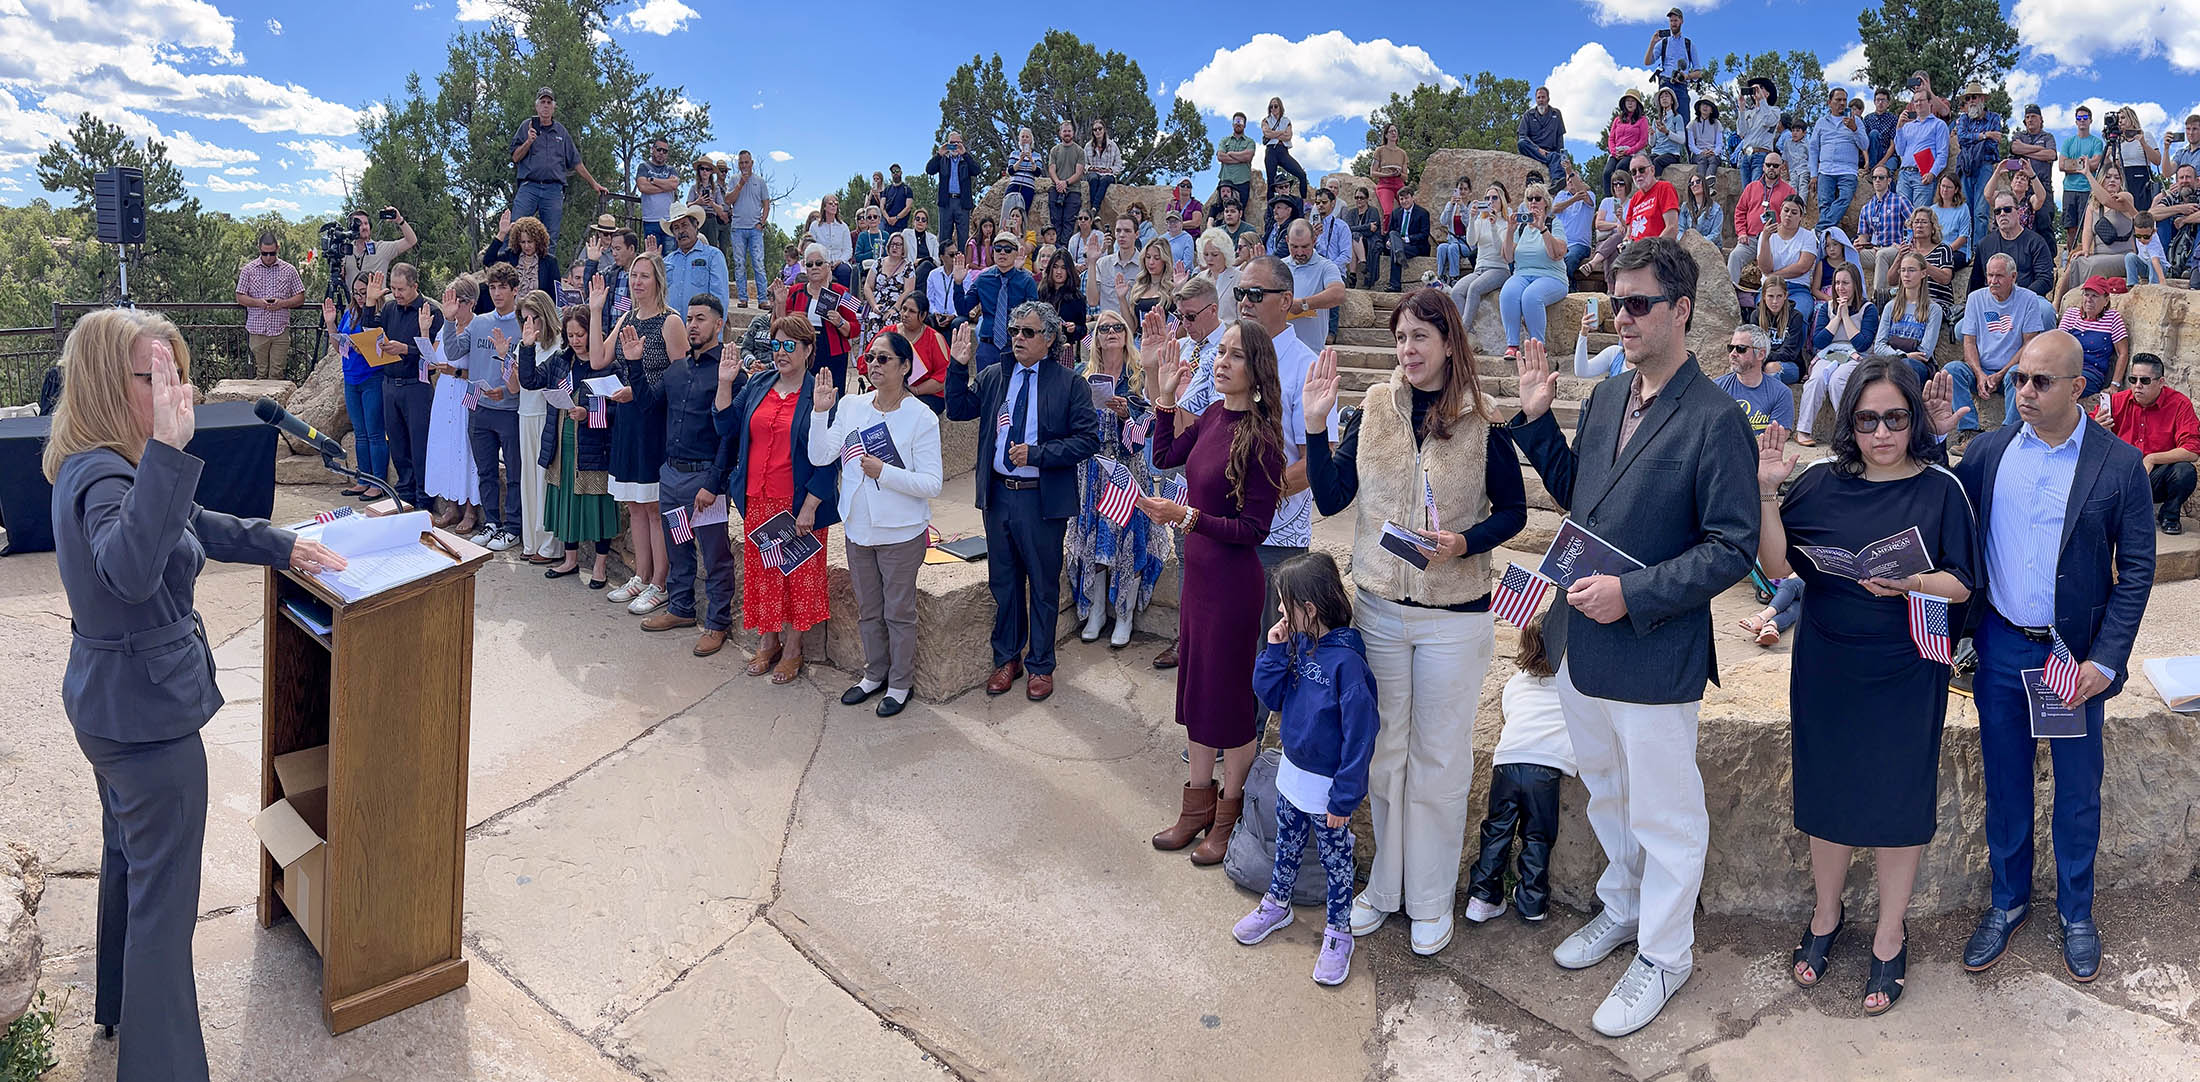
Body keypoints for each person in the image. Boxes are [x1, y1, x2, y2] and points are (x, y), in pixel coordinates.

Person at [46, 308, 345, 1082]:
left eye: (181, 372)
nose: (180, 389)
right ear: (116, 384)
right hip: (146, 719)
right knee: (164, 907)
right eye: (164, 376)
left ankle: (116, 1006)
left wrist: (281, 542)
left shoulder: (102, 461)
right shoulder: (112, 474)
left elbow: (190, 522)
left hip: (113, 707)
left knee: (130, 865)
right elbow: (133, 569)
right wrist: (169, 456)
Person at [1507, 237, 1760, 1037]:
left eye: (1638, 303)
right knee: (1610, 796)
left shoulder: (1718, 419)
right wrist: (1541, 424)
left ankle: (1665, 954)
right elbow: (1585, 495)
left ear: (1682, 309)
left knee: (1666, 814)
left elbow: (1732, 546)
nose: (1621, 316)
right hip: (1582, 639)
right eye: (1614, 302)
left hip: (1654, 648)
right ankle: (1621, 908)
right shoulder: (1610, 395)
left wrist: (1635, 593)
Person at [1302, 287, 1526, 956]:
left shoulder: (1482, 422)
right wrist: (1316, 427)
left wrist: (1465, 542)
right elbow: (1332, 495)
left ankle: (1429, 900)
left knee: (1439, 759)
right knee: (1385, 754)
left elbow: (1512, 513)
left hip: (1453, 618)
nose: (1407, 350)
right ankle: (1384, 891)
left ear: (1450, 342)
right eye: (1400, 338)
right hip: (1379, 610)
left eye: (1420, 338)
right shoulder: (1372, 410)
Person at [1755, 359, 1979, 1014]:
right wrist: (1769, 491)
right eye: (1868, 419)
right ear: (1849, 421)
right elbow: (1776, 566)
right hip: (1828, 660)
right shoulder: (1821, 482)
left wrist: (1911, 581)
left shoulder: (1941, 488)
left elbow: (1965, 581)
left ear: (1912, 417)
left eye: (1896, 418)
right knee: (1827, 789)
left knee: (1896, 796)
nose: (1882, 432)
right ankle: (1826, 915)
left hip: (1909, 660)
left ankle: (1889, 932)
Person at [1937, 332, 2155, 987]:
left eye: (2039, 382)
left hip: (2072, 660)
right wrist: (1932, 441)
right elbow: (1942, 511)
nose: (2023, 392)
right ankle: (2008, 903)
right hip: (2003, 646)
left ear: (2076, 388)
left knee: (2076, 793)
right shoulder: (1988, 450)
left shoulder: (2118, 465)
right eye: (2019, 380)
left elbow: (2138, 569)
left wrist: (2107, 661)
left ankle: (2077, 912)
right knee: (2005, 783)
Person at [1141, 317, 1287, 864]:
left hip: (1232, 585)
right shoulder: (1209, 417)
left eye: (1235, 355)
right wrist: (1162, 394)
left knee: (1227, 703)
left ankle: (1227, 816)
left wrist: (1188, 516)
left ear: (1257, 369)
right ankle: (1194, 808)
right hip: (1198, 580)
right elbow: (1162, 457)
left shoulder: (1262, 438)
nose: (1221, 362)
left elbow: (1255, 531)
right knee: (1198, 694)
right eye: (1219, 352)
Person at [1233, 551, 1379, 987]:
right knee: (1287, 848)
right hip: (1291, 780)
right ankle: (1278, 903)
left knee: (1337, 864)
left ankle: (1338, 932)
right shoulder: (1297, 645)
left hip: (1326, 792)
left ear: (1309, 610)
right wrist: (1275, 649)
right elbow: (1271, 696)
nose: (1279, 611)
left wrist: (1344, 797)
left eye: (1285, 605)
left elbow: (1361, 737)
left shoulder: (1348, 668)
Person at [946, 303, 1103, 701]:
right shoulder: (997, 375)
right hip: (999, 497)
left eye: (1028, 332)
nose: (1018, 338)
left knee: (1044, 585)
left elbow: (1087, 440)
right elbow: (960, 408)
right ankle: (1007, 659)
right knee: (1004, 582)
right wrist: (956, 366)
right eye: (1015, 330)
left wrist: (1037, 454)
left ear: (1049, 339)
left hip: (1040, 502)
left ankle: (1041, 665)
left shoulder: (1070, 384)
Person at [807, 331, 943, 715]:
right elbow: (820, 456)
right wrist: (820, 413)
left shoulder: (921, 417)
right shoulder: (851, 405)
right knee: (869, 609)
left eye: (884, 359)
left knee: (898, 612)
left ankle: (900, 683)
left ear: (904, 366)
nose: (874, 364)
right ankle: (874, 674)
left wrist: (884, 472)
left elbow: (931, 483)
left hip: (901, 533)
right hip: (858, 528)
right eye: (870, 356)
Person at [719, 316, 839, 684]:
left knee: (799, 577)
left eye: (790, 345)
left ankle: (793, 649)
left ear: (807, 351)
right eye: (776, 344)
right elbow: (725, 429)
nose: (782, 352)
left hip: (798, 503)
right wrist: (725, 384)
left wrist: (811, 505)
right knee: (765, 575)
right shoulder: (757, 383)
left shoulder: (820, 393)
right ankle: (768, 641)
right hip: (758, 498)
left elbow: (828, 456)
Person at [626, 291, 739, 654]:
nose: (692, 325)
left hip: (706, 480)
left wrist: (714, 482)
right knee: (678, 548)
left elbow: (731, 435)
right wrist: (635, 364)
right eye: (689, 318)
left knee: (716, 555)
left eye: (701, 318)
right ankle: (680, 607)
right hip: (672, 477)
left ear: (718, 324)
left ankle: (717, 623)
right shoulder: (677, 370)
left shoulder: (729, 371)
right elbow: (647, 404)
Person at [1464, 613, 1575, 925]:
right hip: (1546, 769)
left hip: (1508, 763)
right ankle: (1532, 901)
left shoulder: (1515, 684)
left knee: (1496, 830)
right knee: (1537, 836)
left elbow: (1508, 712)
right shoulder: (1572, 686)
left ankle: (1482, 898)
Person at [591, 252, 683, 616]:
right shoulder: (628, 316)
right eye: (633, 275)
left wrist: (642, 389)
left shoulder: (670, 320)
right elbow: (598, 359)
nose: (637, 281)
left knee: (654, 505)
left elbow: (680, 376)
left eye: (644, 276)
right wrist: (597, 309)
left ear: (658, 280)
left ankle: (661, 582)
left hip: (654, 421)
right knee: (635, 504)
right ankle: (641, 576)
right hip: (627, 418)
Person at [1067, 310, 1165, 648]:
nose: (1110, 332)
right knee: (1094, 539)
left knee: (1129, 540)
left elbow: (1153, 422)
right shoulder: (1083, 374)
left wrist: (1128, 414)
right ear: (1096, 337)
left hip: (1127, 468)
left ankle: (1124, 614)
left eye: (1117, 327)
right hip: (1092, 469)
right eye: (1104, 328)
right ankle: (1096, 611)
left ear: (1126, 334)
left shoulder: (1137, 375)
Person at [515, 302, 618, 588]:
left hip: (594, 445)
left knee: (597, 506)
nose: (575, 340)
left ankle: (599, 565)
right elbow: (530, 380)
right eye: (570, 335)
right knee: (567, 504)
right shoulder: (561, 360)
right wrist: (526, 347)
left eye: (581, 334)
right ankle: (570, 560)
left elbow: (617, 407)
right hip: (562, 443)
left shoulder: (606, 364)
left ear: (591, 332)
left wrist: (588, 414)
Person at [359, 265, 445, 512]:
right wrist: (369, 302)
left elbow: (433, 355)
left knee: (420, 445)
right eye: (393, 289)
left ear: (414, 286)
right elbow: (371, 332)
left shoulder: (431, 312)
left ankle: (423, 500)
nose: (396, 293)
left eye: (401, 289)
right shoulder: (388, 308)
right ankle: (404, 496)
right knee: (397, 444)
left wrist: (405, 349)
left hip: (416, 386)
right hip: (390, 384)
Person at [1953, 253, 2053, 431]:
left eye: (1998, 276)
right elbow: (1969, 342)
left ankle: (2009, 433)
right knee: (1952, 371)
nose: (1992, 281)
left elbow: (2029, 344)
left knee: (2018, 374)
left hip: (2010, 369)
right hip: (1981, 369)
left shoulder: (2028, 299)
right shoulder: (1975, 298)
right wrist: (1979, 374)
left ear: (2013, 277)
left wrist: (2001, 373)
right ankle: (1968, 432)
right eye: (1990, 275)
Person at [2103, 354, 2200, 534]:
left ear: (2161, 381)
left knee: (2185, 471)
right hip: (2121, 473)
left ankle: (2169, 516)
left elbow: (2192, 450)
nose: (2137, 385)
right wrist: (2097, 429)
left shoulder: (2179, 404)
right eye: (2133, 379)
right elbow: (2084, 438)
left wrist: (2152, 458)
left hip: (2155, 475)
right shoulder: (2115, 402)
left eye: (2145, 380)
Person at [509, 88, 606, 244]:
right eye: (542, 102)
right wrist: (528, 141)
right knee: (515, 230)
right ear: (537, 106)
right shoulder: (526, 127)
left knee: (550, 237)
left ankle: (546, 268)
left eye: (549, 102)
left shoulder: (561, 131)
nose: (546, 106)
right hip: (529, 187)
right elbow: (515, 157)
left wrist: (594, 183)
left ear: (554, 107)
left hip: (553, 190)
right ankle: (507, 267)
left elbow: (576, 162)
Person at [1795, 263, 1879, 444]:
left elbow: (1863, 343)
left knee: (1838, 380)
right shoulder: (1827, 307)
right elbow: (1819, 341)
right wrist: (1837, 317)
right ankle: (1803, 430)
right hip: (1829, 353)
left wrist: (1847, 317)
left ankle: (1847, 432)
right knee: (1816, 380)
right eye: (1837, 283)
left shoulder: (1868, 309)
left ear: (1856, 284)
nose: (1840, 288)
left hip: (1857, 356)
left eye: (1845, 283)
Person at [425, 277, 483, 535]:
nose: (448, 306)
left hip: (464, 391)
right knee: (446, 446)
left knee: (466, 448)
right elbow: (435, 355)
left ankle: (471, 509)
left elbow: (483, 368)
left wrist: (457, 372)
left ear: (468, 303)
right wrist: (424, 333)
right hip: (445, 392)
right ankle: (451, 506)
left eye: (454, 300)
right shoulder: (446, 327)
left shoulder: (478, 326)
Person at [321, 276, 386, 499]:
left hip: (371, 377)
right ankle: (363, 479)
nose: (359, 297)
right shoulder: (349, 313)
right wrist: (330, 323)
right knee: (360, 433)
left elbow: (381, 347)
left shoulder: (378, 314)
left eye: (363, 293)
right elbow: (339, 346)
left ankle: (378, 483)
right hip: (351, 378)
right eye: (356, 293)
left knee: (374, 432)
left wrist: (365, 348)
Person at [1497, 183, 1571, 355]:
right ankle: (1512, 345)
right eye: (1529, 199)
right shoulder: (1521, 227)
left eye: (1537, 198)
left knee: (1531, 296)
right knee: (1508, 293)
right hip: (1522, 274)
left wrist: (1542, 229)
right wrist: (1509, 231)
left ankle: (1539, 346)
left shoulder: (1554, 223)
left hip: (1552, 276)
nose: (1533, 202)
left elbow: (1557, 254)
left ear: (1546, 202)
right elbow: (1508, 257)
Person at [780, 243, 860, 388]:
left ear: (828, 265)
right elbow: (781, 325)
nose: (814, 267)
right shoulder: (795, 291)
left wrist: (840, 322)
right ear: (805, 267)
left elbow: (856, 328)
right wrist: (779, 303)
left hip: (834, 355)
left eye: (819, 263)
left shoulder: (843, 292)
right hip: (802, 354)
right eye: (810, 264)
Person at [233, 230, 303, 380]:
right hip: (257, 330)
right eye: (265, 254)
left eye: (272, 253)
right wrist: (258, 303)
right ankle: (261, 402)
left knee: (277, 373)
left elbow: (300, 297)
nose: (269, 257)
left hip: (280, 330)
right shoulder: (248, 270)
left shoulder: (289, 270)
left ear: (277, 248)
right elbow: (240, 296)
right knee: (261, 372)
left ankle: (274, 403)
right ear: (259, 249)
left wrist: (282, 304)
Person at [965, 234, 1041, 372]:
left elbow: (1034, 315)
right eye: (998, 248)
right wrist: (958, 284)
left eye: (1008, 249)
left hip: (1016, 344)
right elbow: (963, 308)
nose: (1002, 253)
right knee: (985, 389)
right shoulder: (983, 279)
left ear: (1016, 253)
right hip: (988, 345)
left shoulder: (1026, 280)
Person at [1869, 250, 1946, 385]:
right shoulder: (1890, 307)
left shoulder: (1934, 310)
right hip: (1892, 362)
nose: (1906, 274)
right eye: (1903, 270)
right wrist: (1903, 355)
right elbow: (1879, 346)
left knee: (1905, 368)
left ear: (1923, 273)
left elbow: (1925, 352)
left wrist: (1903, 357)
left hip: (1916, 366)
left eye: (1911, 270)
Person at [1726, 152, 1797, 292]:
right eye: (1768, 165)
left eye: (1775, 165)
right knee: (1734, 256)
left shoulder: (1789, 191)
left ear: (1781, 168)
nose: (1771, 168)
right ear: (1763, 167)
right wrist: (1741, 233)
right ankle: (1730, 294)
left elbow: (1793, 216)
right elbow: (1740, 211)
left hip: (1774, 240)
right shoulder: (1751, 187)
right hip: (1750, 239)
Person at [1448, 183, 1510, 329]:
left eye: (1495, 197)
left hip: (1499, 268)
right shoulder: (1480, 220)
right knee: (1456, 291)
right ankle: (1465, 330)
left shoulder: (1506, 223)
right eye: (1487, 198)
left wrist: (1494, 226)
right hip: (1480, 268)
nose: (1491, 200)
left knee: (1474, 288)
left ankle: (1462, 331)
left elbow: (1499, 249)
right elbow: (1471, 242)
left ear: (1501, 201)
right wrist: (1471, 218)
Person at [1970, 191, 2055, 296]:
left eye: (2007, 209)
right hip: (1993, 299)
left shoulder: (2036, 242)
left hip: (2028, 298)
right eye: (1997, 211)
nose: (2002, 214)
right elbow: (1975, 283)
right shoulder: (1984, 245)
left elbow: (2045, 279)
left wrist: (2020, 297)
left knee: (2046, 310)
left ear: (2018, 211)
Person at [1716, 326, 1795, 436]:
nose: (1732, 354)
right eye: (1731, 348)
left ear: (1761, 354)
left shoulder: (1781, 393)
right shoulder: (1716, 388)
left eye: (1741, 349)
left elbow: (1776, 441)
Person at [2059, 276, 2131, 398]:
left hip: (2091, 373)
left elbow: (2123, 353)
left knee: (2061, 388)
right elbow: (2058, 343)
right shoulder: (2071, 314)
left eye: (2095, 296)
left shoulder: (2113, 318)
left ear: (2106, 300)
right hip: (2065, 367)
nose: (2089, 300)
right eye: (2086, 295)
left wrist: (2115, 385)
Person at [1950, 84, 2006, 238]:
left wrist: (1976, 139)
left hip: (1985, 166)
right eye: (1968, 99)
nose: (1971, 101)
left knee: (1981, 211)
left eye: (1974, 97)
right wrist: (1984, 135)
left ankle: (1978, 250)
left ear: (1982, 99)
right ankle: (1966, 249)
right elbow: (1961, 138)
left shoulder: (1994, 118)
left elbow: (1992, 144)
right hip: (1966, 167)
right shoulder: (1964, 119)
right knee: (1966, 209)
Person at [661, 203, 730, 325]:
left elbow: (720, 298)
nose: (681, 231)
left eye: (685, 225)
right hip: (671, 332)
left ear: (696, 225)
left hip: (702, 334)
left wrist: (716, 335)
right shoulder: (667, 261)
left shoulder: (713, 256)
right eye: (676, 228)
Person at [1757, 194, 1822, 325]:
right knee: (1763, 315)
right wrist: (1765, 239)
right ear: (1780, 211)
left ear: (1800, 217)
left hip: (1797, 288)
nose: (1788, 215)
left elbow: (1803, 267)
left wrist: (1774, 275)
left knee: (1799, 314)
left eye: (1794, 212)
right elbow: (1765, 268)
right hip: (1770, 288)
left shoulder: (1808, 236)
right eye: (1786, 210)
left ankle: (1796, 345)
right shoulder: (1767, 235)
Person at [1811, 87, 1869, 230]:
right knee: (1824, 204)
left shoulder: (1855, 121)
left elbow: (1865, 145)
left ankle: (1820, 229)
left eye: (1844, 100)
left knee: (1844, 199)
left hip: (1847, 170)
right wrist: (1813, 175)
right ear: (1829, 102)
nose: (1842, 103)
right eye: (1838, 100)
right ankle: (1827, 238)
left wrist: (1854, 129)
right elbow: (1813, 149)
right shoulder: (1821, 122)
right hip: (1825, 170)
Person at [1284, 221, 1345, 354]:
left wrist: (1303, 304)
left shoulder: (1326, 267)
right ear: (1287, 240)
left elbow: (1338, 293)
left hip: (1311, 352)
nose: (1300, 252)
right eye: (1294, 246)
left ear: (1314, 240)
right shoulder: (1279, 267)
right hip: (1280, 351)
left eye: (1305, 246)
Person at [481, 211, 565, 305]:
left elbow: (555, 295)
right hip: (512, 313)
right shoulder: (511, 255)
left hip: (538, 314)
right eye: (523, 242)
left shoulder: (549, 262)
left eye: (530, 242)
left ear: (538, 240)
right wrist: (502, 233)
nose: (526, 246)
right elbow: (488, 260)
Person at [2075, 167, 2140, 284]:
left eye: (2117, 177)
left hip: (2122, 256)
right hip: (2099, 254)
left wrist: (2088, 174)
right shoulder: (2092, 205)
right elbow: (2087, 230)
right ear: (2101, 180)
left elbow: (2107, 201)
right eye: (2108, 177)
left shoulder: (2126, 197)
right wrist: (2085, 250)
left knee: (2093, 265)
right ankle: (2059, 299)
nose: (2112, 180)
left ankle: (2085, 294)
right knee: (2076, 261)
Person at [1892, 89, 1951, 215]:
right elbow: (1900, 151)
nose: (1918, 104)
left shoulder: (1939, 125)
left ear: (1930, 102)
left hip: (1922, 175)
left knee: (1920, 216)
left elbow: (1942, 154)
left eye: (1921, 100)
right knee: (1902, 217)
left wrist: (1932, 173)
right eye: (1915, 101)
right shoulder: (1907, 126)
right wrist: (1899, 128)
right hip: (1904, 175)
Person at [1859, 166, 1914, 293]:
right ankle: (1857, 297)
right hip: (1876, 249)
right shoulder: (1866, 208)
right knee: (1851, 254)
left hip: (1896, 249)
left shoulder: (1899, 201)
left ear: (1889, 180)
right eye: (1874, 178)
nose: (1877, 180)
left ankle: (1879, 297)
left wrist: (1905, 244)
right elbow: (1863, 235)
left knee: (1882, 255)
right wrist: (1860, 245)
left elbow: (1914, 224)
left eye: (1881, 177)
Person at [1643, 6, 1703, 120]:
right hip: (1666, 84)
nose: (1673, 23)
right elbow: (1647, 62)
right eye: (1671, 21)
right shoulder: (1663, 42)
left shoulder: (1689, 44)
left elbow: (1699, 72)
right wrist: (1652, 42)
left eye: (1675, 20)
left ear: (1681, 21)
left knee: (1684, 120)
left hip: (1681, 86)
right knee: (1665, 121)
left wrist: (1686, 76)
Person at [338, 205, 420, 288]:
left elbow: (411, 241)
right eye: (358, 224)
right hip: (354, 300)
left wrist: (399, 220)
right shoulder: (344, 251)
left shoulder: (382, 248)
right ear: (351, 227)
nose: (364, 227)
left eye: (366, 223)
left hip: (378, 300)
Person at [863, 233, 916, 357]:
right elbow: (867, 286)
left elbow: (908, 290)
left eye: (899, 245)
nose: (895, 247)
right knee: (873, 320)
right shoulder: (879, 263)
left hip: (898, 305)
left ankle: (890, 358)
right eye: (893, 244)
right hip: (878, 304)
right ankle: (871, 358)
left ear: (904, 248)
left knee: (891, 322)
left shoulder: (908, 266)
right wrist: (874, 305)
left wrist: (895, 308)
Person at [927, 131, 980, 256]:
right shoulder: (943, 160)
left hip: (962, 203)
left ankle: (962, 265)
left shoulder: (966, 160)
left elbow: (977, 170)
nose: (955, 146)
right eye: (952, 143)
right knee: (944, 237)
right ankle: (943, 264)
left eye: (958, 143)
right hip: (946, 202)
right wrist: (939, 154)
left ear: (962, 144)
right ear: (947, 144)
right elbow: (929, 170)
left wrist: (965, 154)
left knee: (963, 237)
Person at [1749, 276, 1809, 385]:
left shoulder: (1795, 317)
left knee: (1771, 368)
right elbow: (1754, 347)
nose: (1775, 301)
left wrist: (1764, 357)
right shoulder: (1756, 316)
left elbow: (1789, 353)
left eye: (1779, 296)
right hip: (1762, 362)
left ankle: (1772, 401)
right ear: (1763, 296)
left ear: (1785, 296)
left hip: (1790, 365)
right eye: (1770, 296)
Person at [1036, 249, 1087, 366]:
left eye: (1063, 268)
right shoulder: (1041, 292)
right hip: (1040, 347)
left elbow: (1082, 330)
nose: (1059, 272)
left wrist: (1074, 329)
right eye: (1055, 267)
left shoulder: (1077, 297)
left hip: (1064, 349)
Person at [1261, 98, 1312, 216]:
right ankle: (1270, 209)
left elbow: (1288, 136)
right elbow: (1267, 133)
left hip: (1283, 151)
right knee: (1271, 181)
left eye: (1276, 106)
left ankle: (1304, 202)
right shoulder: (1266, 120)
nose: (1273, 109)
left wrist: (1274, 134)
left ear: (1280, 107)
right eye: (1271, 106)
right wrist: (1281, 133)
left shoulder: (1286, 120)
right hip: (1271, 151)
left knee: (1301, 174)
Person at [1379, 186, 1432, 293]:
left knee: (1396, 248)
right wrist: (1389, 241)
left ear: (1412, 198)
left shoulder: (1423, 213)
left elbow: (1424, 235)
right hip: (1400, 245)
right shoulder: (1396, 213)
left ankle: (1395, 285)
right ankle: (1399, 251)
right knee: (1394, 236)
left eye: (1406, 198)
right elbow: (1391, 231)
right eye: (1401, 199)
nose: (1404, 201)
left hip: (1415, 246)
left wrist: (1406, 239)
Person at [1088, 215, 1139, 321]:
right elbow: (1092, 301)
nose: (1122, 235)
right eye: (1118, 230)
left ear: (1136, 234)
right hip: (1107, 327)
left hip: (1134, 328)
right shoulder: (1103, 264)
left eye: (1127, 231)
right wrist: (1092, 262)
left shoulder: (1145, 265)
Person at [635, 138, 682, 251]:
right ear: (653, 149)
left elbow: (674, 185)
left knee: (670, 259)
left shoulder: (671, 169)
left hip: (668, 221)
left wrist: (653, 181)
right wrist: (665, 186)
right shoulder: (644, 167)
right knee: (652, 258)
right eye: (659, 149)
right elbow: (643, 187)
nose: (661, 153)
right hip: (650, 221)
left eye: (665, 151)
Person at [1735, 77, 1782, 190]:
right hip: (1746, 155)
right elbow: (1741, 132)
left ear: (1768, 93)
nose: (1756, 91)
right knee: (1746, 192)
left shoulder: (1774, 110)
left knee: (1756, 190)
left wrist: (1762, 101)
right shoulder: (1749, 112)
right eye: (1754, 89)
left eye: (1761, 88)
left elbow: (1768, 120)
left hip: (1761, 155)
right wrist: (1741, 109)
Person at [1045, 121, 1086, 241]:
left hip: (1073, 190)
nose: (1067, 133)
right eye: (1064, 131)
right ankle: (1055, 247)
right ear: (1060, 133)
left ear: (1073, 133)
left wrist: (1065, 183)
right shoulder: (1055, 150)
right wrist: (1058, 183)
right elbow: (1051, 169)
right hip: (1056, 189)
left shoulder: (1079, 151)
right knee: (1055, 220)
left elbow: (1079, 173)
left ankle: (1064, 248)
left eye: (1069, 131)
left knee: (1069, 222)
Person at [1552, 167, 1597, 279]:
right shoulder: (1561, 195)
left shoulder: (1590, 195)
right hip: (1560, 242)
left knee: (1569, 258)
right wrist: (1573, 199)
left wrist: (1569, 171)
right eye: (1568, 179)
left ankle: (1569, 288)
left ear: (1580, 181)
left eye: (1573, 178)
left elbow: (1583, 195)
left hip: (1580, 245)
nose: (1570, 181)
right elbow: (1554, 209)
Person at [1604, 92, 1651, 196]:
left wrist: (1628, 151)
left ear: (1637, 104)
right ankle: (1609, 200)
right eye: (1628, 101)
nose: (1630, 103)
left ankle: (1620, 199)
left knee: (1620, 169)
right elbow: (1611, 138)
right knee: (1607, 172)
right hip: (1616, 152)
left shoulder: (1643, 120)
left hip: (1633, 152)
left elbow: (1643, 141)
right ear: (1624, 103)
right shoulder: (1617, 120)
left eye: (1633, 101)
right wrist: (1614, 151)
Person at [1518, 87, 1568, 179]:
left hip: (1550, 151)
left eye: (1543, 97)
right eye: (1539, 97)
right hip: (1534, 150)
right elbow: (1522, 136)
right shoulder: (1528, 115)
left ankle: (1557, 181)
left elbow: (1559, 138)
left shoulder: (1556, 114)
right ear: (1536, 99)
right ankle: (1550, 159)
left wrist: (1562, 157)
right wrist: (1538, 149)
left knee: (1556, 156)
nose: (1541, 100)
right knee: (1521, 143)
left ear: (1548, 99)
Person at [1435, 178, 1477, 286]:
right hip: (1452, 241)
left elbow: (1468, 223)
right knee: (1441, 248)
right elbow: (1443, 221)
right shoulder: (1451, 206)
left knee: (1453, 247)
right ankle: (1441, 276)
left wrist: (1462, 207)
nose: (1462, 192)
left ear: (1469, 191)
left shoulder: (1472, 206)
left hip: (1466, 244)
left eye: (1465, 189)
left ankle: (1454, 277)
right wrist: (1450, 205)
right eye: (1460, 189)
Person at [1217, 112, 1259, 215]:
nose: (1238, 124)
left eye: (1241, 121)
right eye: (1236, 121)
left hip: (1242, 182)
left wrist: (1230, 154)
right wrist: (1240, 159)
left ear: (1245, 125)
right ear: (1232, 124)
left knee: (1239, 212)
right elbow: (1221, 156)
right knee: (1223, 212)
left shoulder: (1250, 142)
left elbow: (1248, 156)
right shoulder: (1224, 140)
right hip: (1225, 181)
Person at [1370, 123, 1409, 220]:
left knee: (1409, 208)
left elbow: (1406, 177)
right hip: (1385, 184)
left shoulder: (1402, 153)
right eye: (1391, 131)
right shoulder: (1379, 150)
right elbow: (1372, 172)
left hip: (1399, 184)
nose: (1393, 133)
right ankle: (1388, 233)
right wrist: (1387, 174)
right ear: (1386, 135)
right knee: (1388, 212)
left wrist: (1399, 174)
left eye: (1395, 131)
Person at [1085, 119, 1121, 224]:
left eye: (1099, 129)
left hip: (1108, 174)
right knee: (1093, 179)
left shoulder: (1113, 146)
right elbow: (1083, 164)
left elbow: (1119, 165)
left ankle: (1094, 209)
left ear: (1104, 130)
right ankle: (1094, 209)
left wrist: (1110, 170)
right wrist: (1091, 168)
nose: (1097, 131)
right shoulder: (1088, 146)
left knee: (1104, 180)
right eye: (1095, 129)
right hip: (1094, 173)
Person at [1649, 87, 1688, 175]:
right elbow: (1652, 144)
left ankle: (1656, 186)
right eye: (1661, 97)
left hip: (1672, 153)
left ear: (1672, 101)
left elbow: (1682, 140)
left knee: (1657, 162)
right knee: (1646, 163)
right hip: (1656, 152)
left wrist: (1667, 132)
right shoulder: (1656, 120)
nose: (1664, 98)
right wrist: (1651, 134)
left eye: (1667, 96)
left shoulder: (1677, 117)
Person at [1863, 88, 1900, 177]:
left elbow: (1893, 144)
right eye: (1878, 100)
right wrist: (1867, 161)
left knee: (1888, 174)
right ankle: (1871, 169)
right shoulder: (1868, 119)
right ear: (1874, 102)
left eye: (1883, 100)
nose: (1880, 103)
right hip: (1872, 155)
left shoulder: (1893, 119)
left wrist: (1881, 163)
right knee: (1874, 133)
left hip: (1888, 156)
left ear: (1888, 103)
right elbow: (1863, 143)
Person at [1686, 99, 1724, 184]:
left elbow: (1719, 143)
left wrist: (1714, 152)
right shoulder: (1692, 124)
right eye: (1703, 104)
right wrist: (1701, 152)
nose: (1705, 107)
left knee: (1713, 160)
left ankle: (1708, 183)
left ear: (1711, 110)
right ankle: (1701, 183)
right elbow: (1691, 145)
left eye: (1708, 105)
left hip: (1712, 152)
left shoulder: (1717, 123)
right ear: (1699, 108)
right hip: (1698, 154)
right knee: (1702, 159)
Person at [1677, 174, 1720, 244]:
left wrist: (1699, 243)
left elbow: (1715, 234)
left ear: (1704, 184)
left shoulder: (1716, 208)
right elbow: (1680, 229)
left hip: (1709, 246)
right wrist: (1686, 242)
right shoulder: (1685, 206)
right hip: (1687, 245)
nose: (1694, 185)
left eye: (1698, 182)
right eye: (1691, 183)